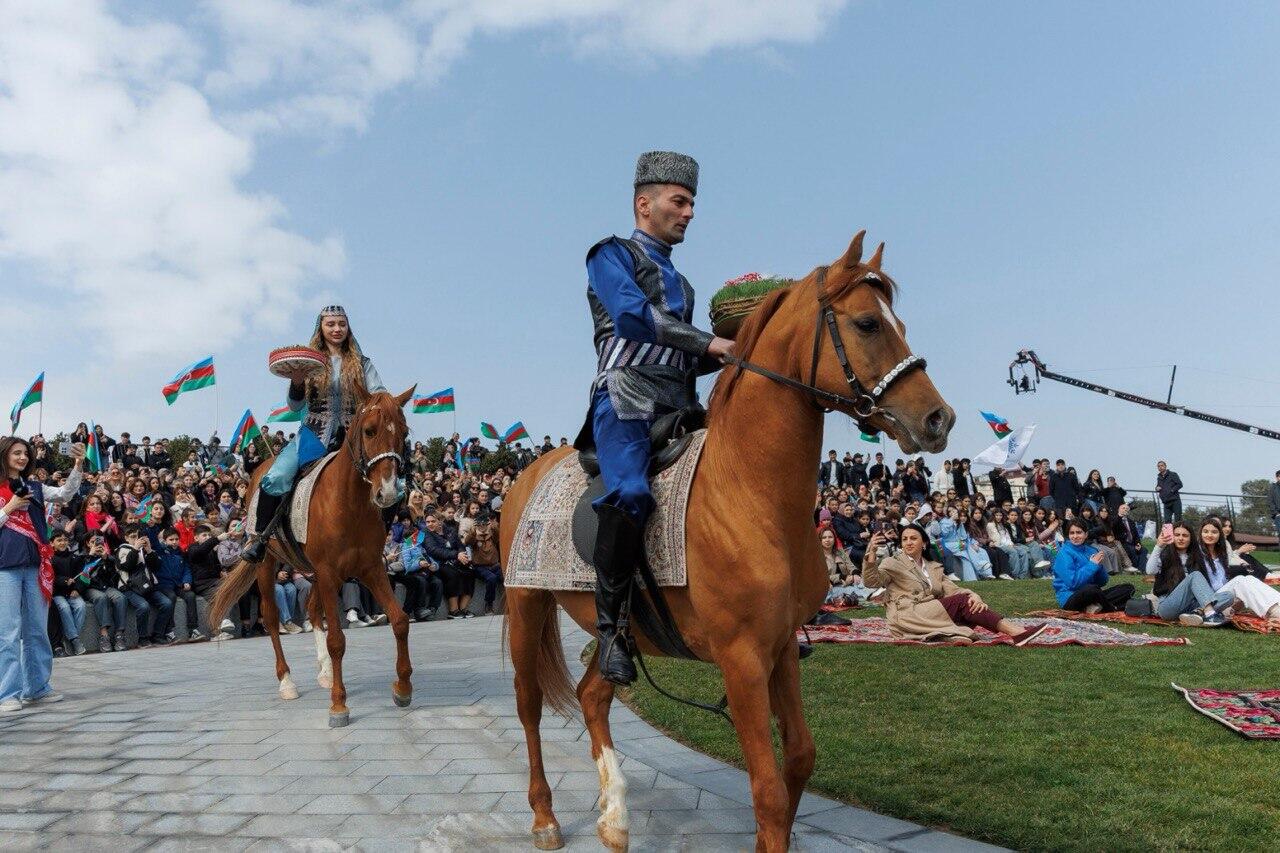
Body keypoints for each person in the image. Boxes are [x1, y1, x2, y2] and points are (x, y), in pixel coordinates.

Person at [571, 151, 733, 685]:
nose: (689, 212)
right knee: (633, 494)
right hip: (626, 397)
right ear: (645, 203)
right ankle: (613, 629)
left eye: (692, 204)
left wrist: (754, 350)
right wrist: (712, 343)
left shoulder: (683, 285)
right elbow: (632, 317)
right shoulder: (608, 254)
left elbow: (689, 358)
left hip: (680, 405)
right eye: (679, 201)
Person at [244, 305, 389, 562]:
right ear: (320, 328)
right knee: (277, 476)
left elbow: (379, 395)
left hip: (353, 438)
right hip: (312, 434)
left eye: (341, 324)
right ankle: (259, 538)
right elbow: (295, 406)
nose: (336, 329)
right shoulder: (309, 362)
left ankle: (376, 544)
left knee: (393, 484)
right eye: (330, 324)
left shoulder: (364, 364)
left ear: (348, 328)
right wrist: (297, 381)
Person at [0, 437, 85, 711]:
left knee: (37, 629)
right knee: (8, 632)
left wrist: (78, 464)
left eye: (25, 453)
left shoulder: (35, 486)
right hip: (5, 568)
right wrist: (10, 506)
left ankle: (37, 687)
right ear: (4, 455)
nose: (22, 458)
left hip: (36, 566)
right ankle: (7, 694)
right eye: (16, 453)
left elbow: (65, 494)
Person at [862, 525, 1046, 645]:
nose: (908, 542)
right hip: (908, 613)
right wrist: (871, 556)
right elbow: (872, 582)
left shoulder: (934, 567)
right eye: (905, 539)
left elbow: (954, 590)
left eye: (913, 538)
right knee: (961, 603)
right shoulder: (892, 562)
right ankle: (1016, 633)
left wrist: (974, 595)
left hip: (929, 610)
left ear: (924, 543)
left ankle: (949, 635)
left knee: (968, 606)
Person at [1178, 519, 1280, 627]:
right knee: (1240, 581)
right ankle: (1276, 612)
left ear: (1219, 535)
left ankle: (1276, 608)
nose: (1209, 535)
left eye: (1214, 532)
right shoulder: (1195, 552)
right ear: (1200, 533)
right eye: (1206, 531)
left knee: (1248, 579)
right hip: (1204, 601)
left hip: (1222, 597)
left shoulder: (1221, 553)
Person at [1052, 519, 1134, 613]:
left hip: (1093, 594)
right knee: (1091, 589)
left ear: (1086, 534)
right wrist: (1092, 565)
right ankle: (1111, 608)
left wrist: (1099, 567)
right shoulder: (1064, 553)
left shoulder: (1092, 550)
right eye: (1072, 533)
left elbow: (1102, 582)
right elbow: (1073, 583)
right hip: (1070, 597)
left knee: (1128, 588)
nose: (1075, 536)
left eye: (1079, 532)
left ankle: (1095, 607)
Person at [48, 531, 87, 656]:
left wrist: (77, 589)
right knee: (64, 608)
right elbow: (51, 577)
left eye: (65, 540)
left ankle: (70, 638)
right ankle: (75, 640)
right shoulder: (49, 558)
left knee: (81, 606)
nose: (63, 542)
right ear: (52, 543)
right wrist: (64, 581)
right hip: (57, 594)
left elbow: (83, 575)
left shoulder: (75, 557)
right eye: (59, 540)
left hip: (72, 592)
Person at [464, 514, 503, 615]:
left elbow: (498, 534)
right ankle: (488, 604)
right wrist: (474, 531)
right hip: (481, 567)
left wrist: (492, 526)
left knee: (506, 578)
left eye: (484, 524)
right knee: (491, 579)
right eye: (480, 525)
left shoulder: (492, 535)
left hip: (495, 565)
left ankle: (509, 602)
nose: (482, 527)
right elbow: (467, 541)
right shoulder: (474, 536)